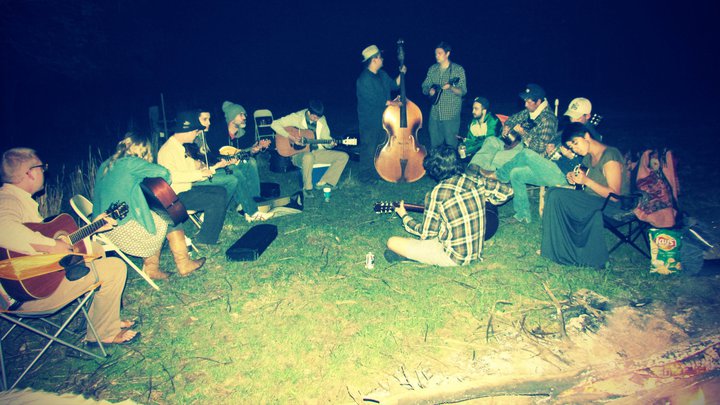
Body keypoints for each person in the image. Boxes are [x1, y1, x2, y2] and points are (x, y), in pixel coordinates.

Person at [0, 147, 138, 345]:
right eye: (41, 167)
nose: (44, 172)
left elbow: (50, 242)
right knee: (115, 267)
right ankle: (103, 334)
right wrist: (51, 245)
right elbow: (4, 230)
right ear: (29, 173)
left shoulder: (18, 199)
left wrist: (94, 227)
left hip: (37, 278)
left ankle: (104, 319)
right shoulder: (7, 200)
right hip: (26, 296)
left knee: (95, 249)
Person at [93, 134, 205, 279]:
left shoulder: (106, 164)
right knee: (168, 215)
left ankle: (152, 269)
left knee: (155, 214)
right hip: (127, 231)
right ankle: (184, 264)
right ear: (144, 150)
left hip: (105, 230)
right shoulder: (131, 163)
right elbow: (165, 174)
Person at [541, 122, 627, 268]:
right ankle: (556, 249)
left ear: (586, 136)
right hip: (592, 199)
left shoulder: (610, 155)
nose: (575, 149)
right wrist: (573, 177)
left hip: (610, 205)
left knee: (556, 196)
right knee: (552, 192)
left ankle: (560, 251)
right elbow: (582, 181)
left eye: (575, 143)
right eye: (571, 147)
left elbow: (614, 195)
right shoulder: (588, 157)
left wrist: (586, 181)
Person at [386, 145, 487, 266]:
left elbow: (427, 234)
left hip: (453, 257)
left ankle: (416, 257)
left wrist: (404, 216)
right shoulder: (475, 181)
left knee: (392, 242)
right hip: (476, 252)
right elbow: (505, 192)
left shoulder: (437, 193)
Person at [485, 84, 562, 223]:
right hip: (525, 154)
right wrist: (507, 126)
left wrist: (523, 133)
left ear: (539, 102)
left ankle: (499, 175)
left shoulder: (548, 119)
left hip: (542, 163)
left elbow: (539, 147)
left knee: (525, 153)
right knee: (516, 173)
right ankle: (523, 215)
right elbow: (512, 118)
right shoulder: (530, 112)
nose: (525, 105)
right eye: (525, 101)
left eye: (529, 101)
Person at [157, 111, 228, 245]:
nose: (196, 135)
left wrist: (214, 167)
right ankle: (206, 240)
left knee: (221, 191)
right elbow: (172, 177)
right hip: (174, 197)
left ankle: (206, 234)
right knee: (215, 199)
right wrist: (201, 174)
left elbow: (194, 171)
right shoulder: (167, 150)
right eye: (195, 132)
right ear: (187, 131)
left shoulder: (179, 147)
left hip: (185, 189)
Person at [191, 107, 272, 222]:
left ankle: (253, 200)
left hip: (214, 167)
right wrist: (221, 162)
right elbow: (205, 160)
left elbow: (238, 153)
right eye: (205, 119)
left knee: (249, 162)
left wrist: (252, 151)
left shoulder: (203, 136)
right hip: (200, 176)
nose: (209, 122)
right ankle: (249, 209)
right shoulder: (209, 135)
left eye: (209, 119)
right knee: (235, 171)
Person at [270, 100, 349, 198]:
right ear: (308, 112)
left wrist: (331, 144)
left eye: (318, 117)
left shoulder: (321, 119)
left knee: (343, 156)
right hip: (298, 154)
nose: (316, 119)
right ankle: (307, 189)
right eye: (314, 117)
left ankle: (325, 182)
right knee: (308, 156)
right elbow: (274, 124)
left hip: (317, 152)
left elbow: (326, 139)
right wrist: (290, 137)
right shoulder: (296, 117)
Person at [356, 44, 404, 170]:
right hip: (370, 122)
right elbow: (375, 100)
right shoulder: (363, 79)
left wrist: (401, 74)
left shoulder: (382, 74)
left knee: (381, 148)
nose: (382, 59)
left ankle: (379, 172)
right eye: (380, 57)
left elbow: (394, 85)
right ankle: (365, 176)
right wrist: (394, 103)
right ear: (374, 60)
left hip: (384, 120)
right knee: (369, 149)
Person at [421, 41, 467, 148]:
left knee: (451, 145)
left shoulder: (458, 70)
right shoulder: (432, 69)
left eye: (439, 53)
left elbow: (463, 91)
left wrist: (451, 87)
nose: (436, 56)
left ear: (447, 54)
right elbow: (424, 86)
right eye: (435, 54)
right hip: (435, 114)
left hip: (451, 114)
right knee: (435, 145)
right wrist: (429, 90)